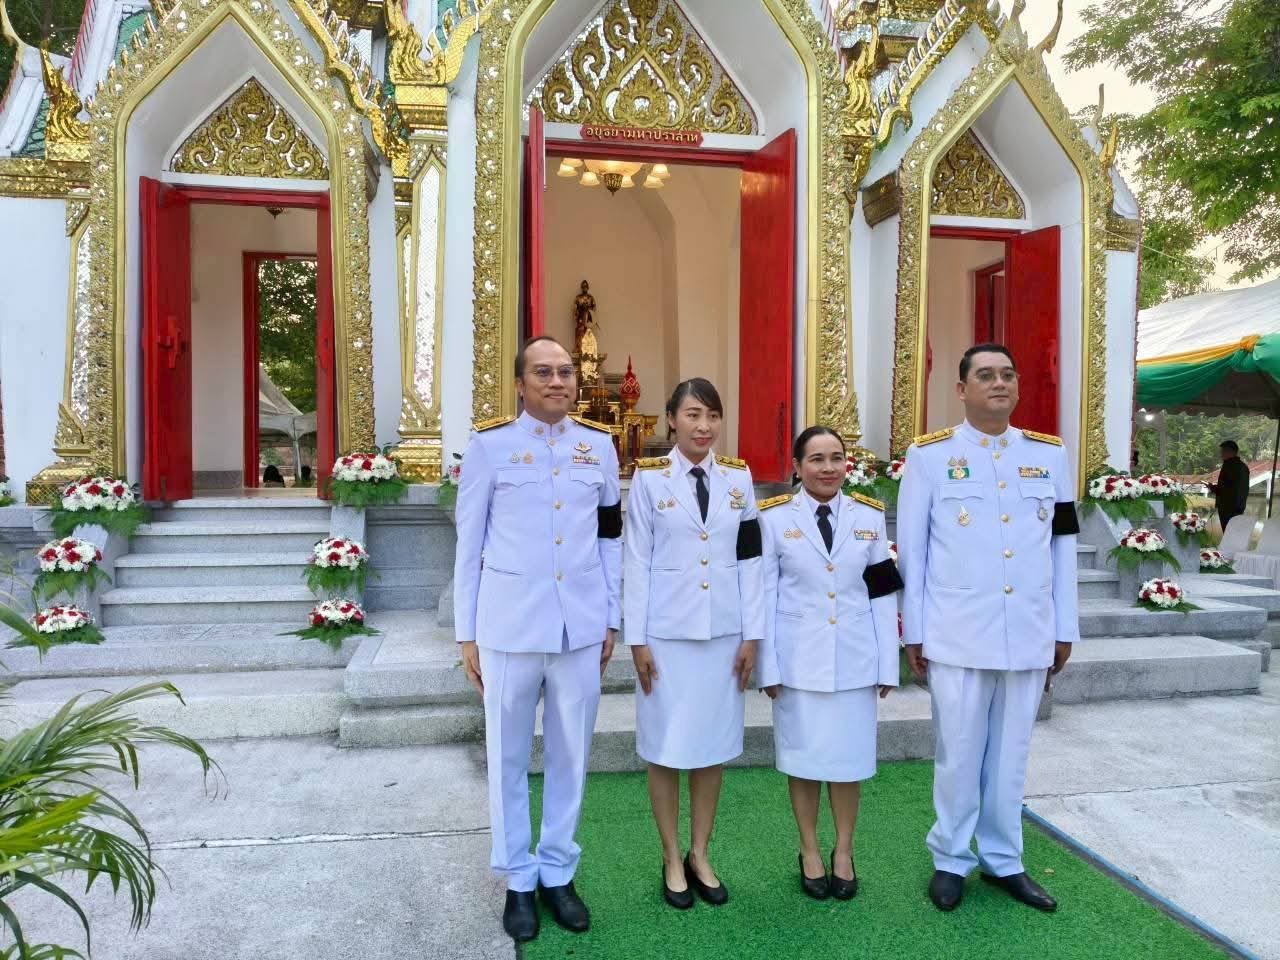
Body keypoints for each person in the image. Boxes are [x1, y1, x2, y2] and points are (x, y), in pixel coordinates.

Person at [897, 343, 1079, 914]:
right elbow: (916, 553)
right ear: (962, 389)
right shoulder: (929, 457)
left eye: (1007, 374)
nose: (998, 383)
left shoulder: (1050, 457)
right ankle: (951, 857)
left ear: (1017, 386)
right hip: (957, 631)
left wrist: (1063, 627)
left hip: (1026, 630)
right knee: (958, 753)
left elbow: (1063, 548)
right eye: (984, 375)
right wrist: (915, 633)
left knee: (1011, 755)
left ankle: (1005, 860)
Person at [453, 335, 622, 943]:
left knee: (571, 753)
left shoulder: (597, 447)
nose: (558, 381)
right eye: (543, 372)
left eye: (566, 372)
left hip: (578, 626)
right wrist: (466, 634)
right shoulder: (490, 448)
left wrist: (610, 616)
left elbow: (609, 536)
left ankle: (557, 870)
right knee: (507, 754)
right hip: (509, 626)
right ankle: (518, 879)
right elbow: (468, 544)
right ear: (521, 384)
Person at [623, 378, 764, 909]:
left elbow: (750, 558)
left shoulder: (738, 478)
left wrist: (753, 634)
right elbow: (635, 561)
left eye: (712, 416)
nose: (703, 426)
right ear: (672, 420)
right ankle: (669, 854)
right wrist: (636, 639)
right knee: (664, 749)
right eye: (692, 415)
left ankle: (700, 852)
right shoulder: (649, 479)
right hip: (666, 636)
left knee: (710, 750)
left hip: (723, 635)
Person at [756, 426, 903, 901]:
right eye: (816, 459)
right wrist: (768, 667)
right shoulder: (774, 518)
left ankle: (843, 850)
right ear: (797, 467)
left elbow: (882, 592)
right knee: (802, 760)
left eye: (836, 458)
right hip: (798, 660)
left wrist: (887, 665)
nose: (827, 468)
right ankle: (809, 849)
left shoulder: (869, 516)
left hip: (855, 658)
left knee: (848, 762)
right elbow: (765, 594)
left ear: (847, 464)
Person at [1208, 440, 1250, 531]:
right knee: (1234, 535)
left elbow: (1226, 490)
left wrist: (1212, 487)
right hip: (1239, 508)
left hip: (1228, 509)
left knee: (1228, 534)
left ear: (1229, 452)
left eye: (1222, 452)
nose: (1221, 454)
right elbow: (1236, 488)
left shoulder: (1229, 466)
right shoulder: (1243, 466)